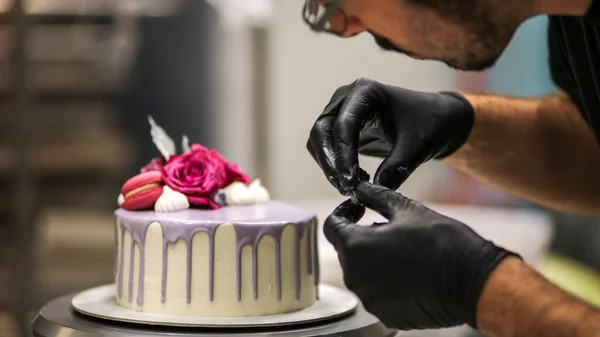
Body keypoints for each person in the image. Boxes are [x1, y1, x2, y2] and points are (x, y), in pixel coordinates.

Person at [302, 0, 600, 336]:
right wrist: (460, 125)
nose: (344, 26)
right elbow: (591, 152)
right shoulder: (574, 22)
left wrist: (483, 289)